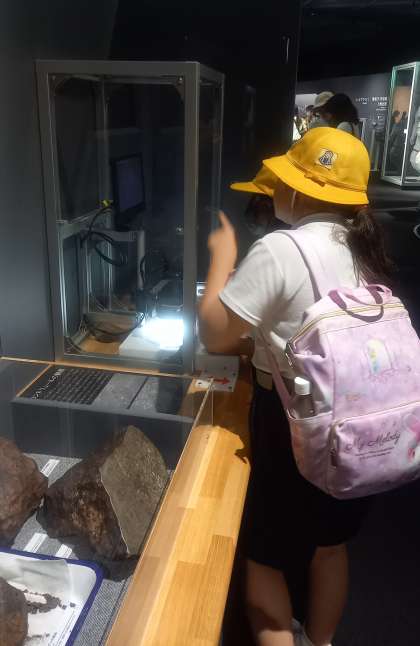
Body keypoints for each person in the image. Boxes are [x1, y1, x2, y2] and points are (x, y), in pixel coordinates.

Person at [199, 127, 394, 646]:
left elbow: (215, 335)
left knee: (265, 558)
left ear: (298, 190)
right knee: (330, 547)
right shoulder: (363, 246)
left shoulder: (280, 248)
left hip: (295, 426)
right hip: (362, 424)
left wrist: (221, 260)